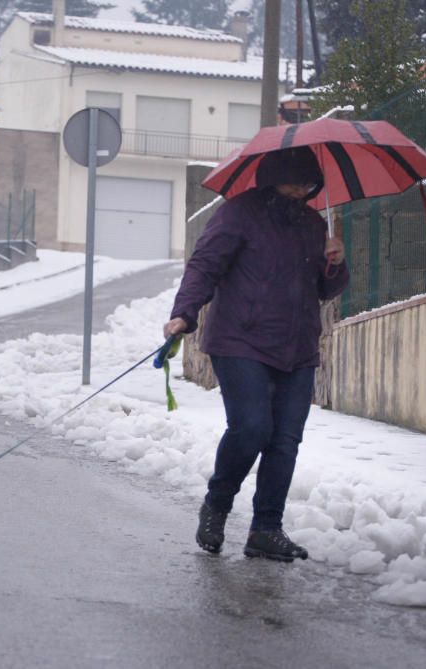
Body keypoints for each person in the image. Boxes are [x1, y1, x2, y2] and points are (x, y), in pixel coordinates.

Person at [163, 146, 349, 562]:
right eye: (294, 182)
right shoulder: (238, 213)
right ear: (273, 177)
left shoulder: (313, 224)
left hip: (297, 345)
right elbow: (204, 265)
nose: (302, 191)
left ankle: (266, 529)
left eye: (308, 184)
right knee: (251, 428)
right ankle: (217, 505)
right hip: (240, 340)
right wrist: (183, 314)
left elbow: (325, 289)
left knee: (284, 441)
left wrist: (335, 262)